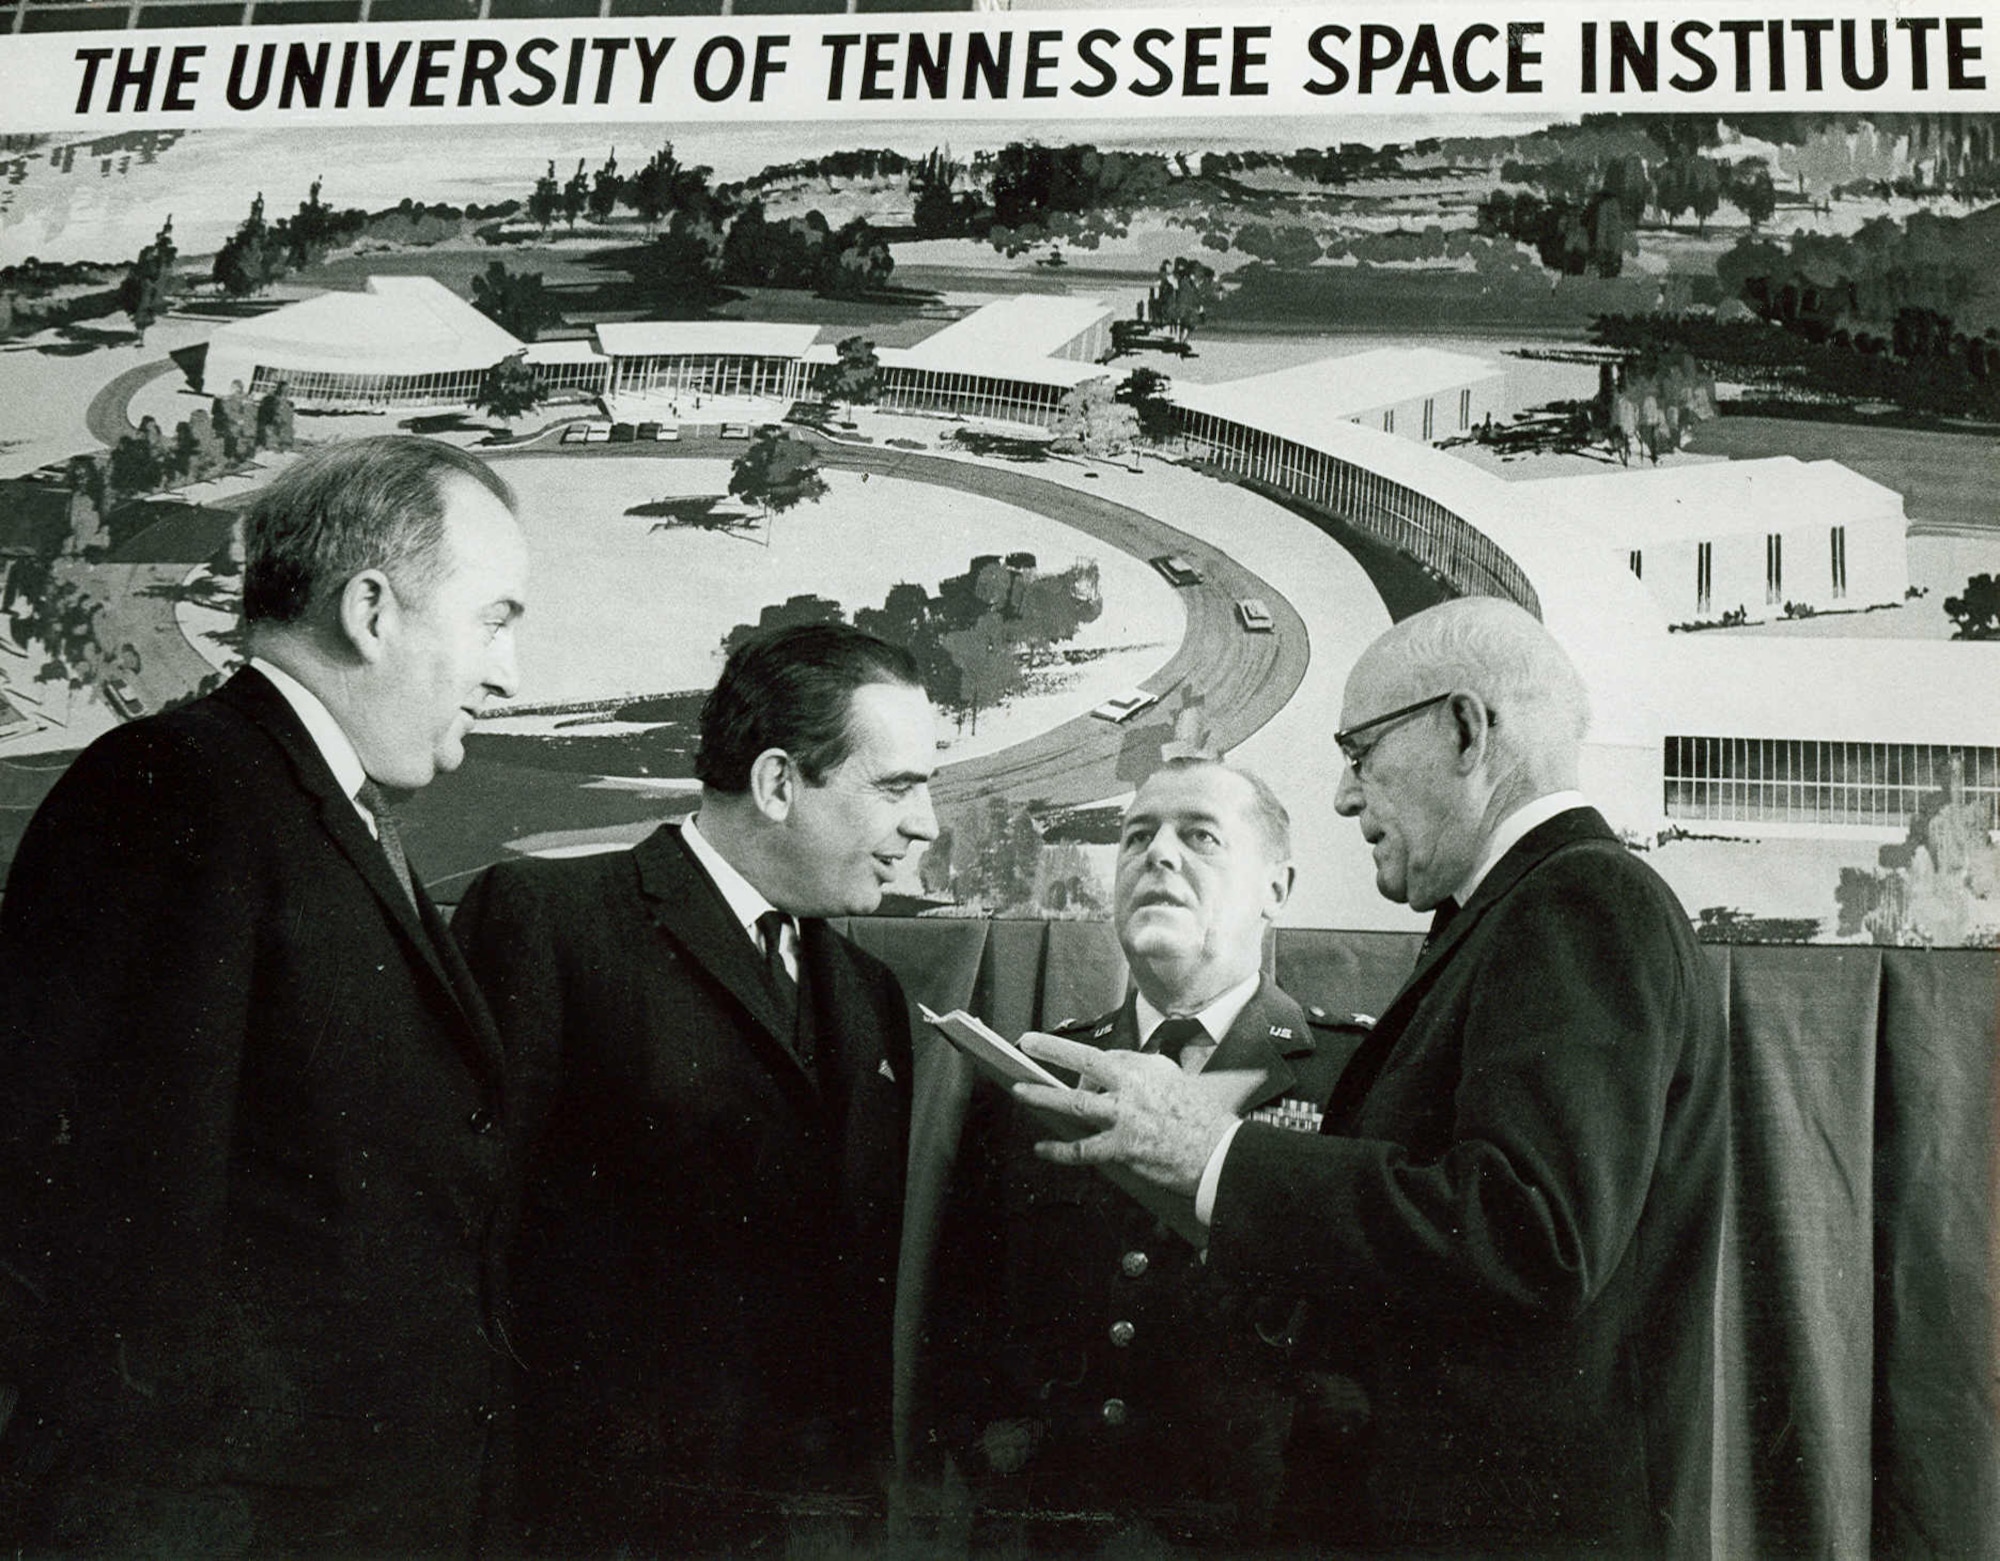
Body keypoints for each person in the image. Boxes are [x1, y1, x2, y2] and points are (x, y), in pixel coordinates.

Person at [1019, 597, 1728, 1558]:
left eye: (1360, 753)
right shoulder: (1520, 909)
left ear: (1468, 729)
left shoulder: (1576, 899)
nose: (1348, 797)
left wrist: (1212, 1152)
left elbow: (1530, 1234)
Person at [0, 435, 530, 1555]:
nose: (507, 674)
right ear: (371, 610)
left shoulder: (316, 804)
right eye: (494, 619)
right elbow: (103, 1238)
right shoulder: (176, 785)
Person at [453, 621, 939, 1557]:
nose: (923, 823)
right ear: (776, 784)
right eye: (897, 787)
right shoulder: (546, 921)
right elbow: (463, 1248)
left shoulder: (871, 995)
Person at [928, 757, 1370, 1549]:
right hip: (1056, 1529)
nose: (1157, 855)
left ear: (1277, 888)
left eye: (1199, 835)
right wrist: (981, 1443)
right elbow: (965, 1294)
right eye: (1136, 837)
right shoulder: (1041, 1067)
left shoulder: (1352, 1074)